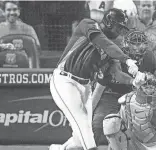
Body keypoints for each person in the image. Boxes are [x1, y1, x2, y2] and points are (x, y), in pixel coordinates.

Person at [49, 8, 140, 150]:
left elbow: (116, 73)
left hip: (85, 87)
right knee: (83, 124)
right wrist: (127, 60)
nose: (120, 31)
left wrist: (133, 81)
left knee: (80, 139)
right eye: (118, 26)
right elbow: (102, 42)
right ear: (109, 22)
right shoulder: (89, 24)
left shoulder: (112, 48)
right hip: (65, 80)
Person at [91, 30, 156, 146]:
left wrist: (151, 83)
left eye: (140, 43)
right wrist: (88, 112)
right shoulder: (113, 56)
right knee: (97, 124)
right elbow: (99, 88)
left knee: (144, 126)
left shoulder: (150, 57)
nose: (137, 47)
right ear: (126, 44)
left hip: (133, 96)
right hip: (109, 94)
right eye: (134, 43)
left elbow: (153, 86)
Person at [103, 72, 156, 150]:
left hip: (154, 144)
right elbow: (117, 119)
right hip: (131, 142)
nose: (148, 89)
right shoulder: (127, 98)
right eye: (146, 87)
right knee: (111, 121)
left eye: (151, 87)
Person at [0, 1, 41, 68]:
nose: (12, 13)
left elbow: (37, 51)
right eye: (9, 10)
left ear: (19, 11)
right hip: (1, 70)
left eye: (15, 9)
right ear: (3, 12)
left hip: (25, 70)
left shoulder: (29, 29)